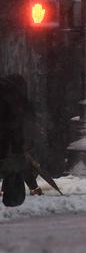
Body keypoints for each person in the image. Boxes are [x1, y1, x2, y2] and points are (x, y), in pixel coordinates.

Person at [0, 75, 41, 207]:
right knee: (16, 163)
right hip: (7, 137)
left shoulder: (8, 94)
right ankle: (33, 188)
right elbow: (15, 122)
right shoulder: (14, 97)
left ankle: (33, 188)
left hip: (6, 136)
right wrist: (19, 145)